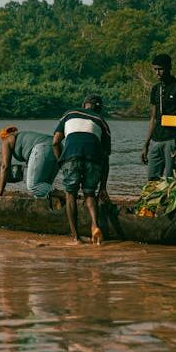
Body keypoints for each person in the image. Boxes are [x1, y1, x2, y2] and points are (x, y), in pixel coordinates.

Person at [52, 94, 111, 245]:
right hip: (94, 159)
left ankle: (76, 238)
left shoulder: (69, 114)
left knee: (70, 194)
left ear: (84, 104)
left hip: (71, 157)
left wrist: (60, 161)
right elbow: (105, 158)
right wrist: (103, 187)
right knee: (89, 193)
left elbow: (55, 142)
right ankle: (95, 226)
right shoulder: (102, 121)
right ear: (100, 109)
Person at [142, 54, 176, 180]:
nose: (157, 73)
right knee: (152, 179)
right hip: (156, 140)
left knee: (172, 179)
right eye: (155, 70)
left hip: (173, 140)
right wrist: (146, 144)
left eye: (160, 69)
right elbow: (153, 118)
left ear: (169, 67)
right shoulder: (155, 89)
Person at [0, 126, 59, 203]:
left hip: (43, 147)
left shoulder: (6, 139)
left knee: (34, 187)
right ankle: (62, 202)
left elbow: (4, 166)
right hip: (57, 146)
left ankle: (65, 194)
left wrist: (0, 191)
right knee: (42, 189)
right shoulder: (23, 136)